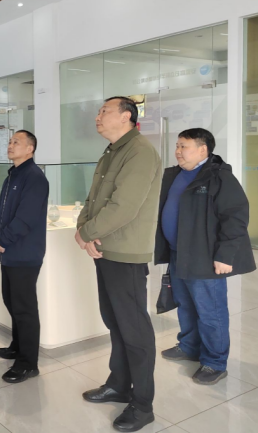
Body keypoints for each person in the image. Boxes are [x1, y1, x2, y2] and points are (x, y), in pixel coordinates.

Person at [76, 97, 162, 433]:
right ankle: (119, 385)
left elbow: (124, 206)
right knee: (115, 322)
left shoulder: (139, 151)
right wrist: (84, 229)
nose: (97, 116)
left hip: (126, 253)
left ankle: (142, 404)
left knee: (134, 329)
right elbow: (93, 199)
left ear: (126, 116)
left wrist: (86, 233)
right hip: (106, 249)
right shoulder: (112, 151)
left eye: (104, 111)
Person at [156, 128, 255, 384]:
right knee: (185, 304)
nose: (178, 151)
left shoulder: (219, 177)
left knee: (210, 311)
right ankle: (189, 346)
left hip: (204, 256)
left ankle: (215, 362)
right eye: (177, 146)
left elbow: (235, 218)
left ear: (203, 150)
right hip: (178, 253)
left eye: (184, 146)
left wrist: (226, 255)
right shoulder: (174, 174)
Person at [0, 130, 49, 384]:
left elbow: (26, 218)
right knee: (11, 301)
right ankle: (17, 346)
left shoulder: (35, 178)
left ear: (30, 149)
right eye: (10, 141)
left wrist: (2, 240)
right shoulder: (12, 175)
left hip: (25, 253)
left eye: (16, 142)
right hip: (9, 252)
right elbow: (0, 209)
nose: (10, 145)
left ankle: (28, 364)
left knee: (24, 308)